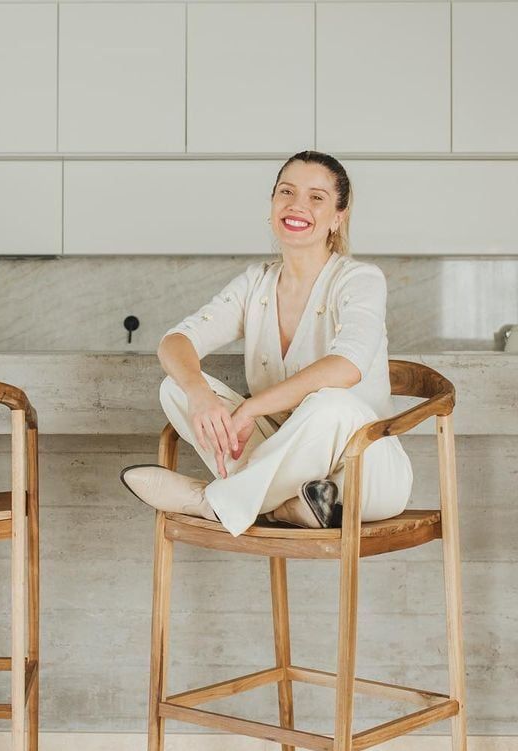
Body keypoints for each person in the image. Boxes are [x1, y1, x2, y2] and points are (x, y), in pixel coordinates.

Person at [120, 150, 413, 537]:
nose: (296, 206)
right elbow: (175, 342)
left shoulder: (360, 280)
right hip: (289, 467)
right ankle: (288, 505)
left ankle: (212, 501)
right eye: (286, 192)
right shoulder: (255, 283)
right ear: (272, 204)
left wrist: (251, 409)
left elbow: (347, 366)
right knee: (175, 387)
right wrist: (198, 393)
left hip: (364, 470)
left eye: (316, 198)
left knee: (332, 403)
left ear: (337, 218)